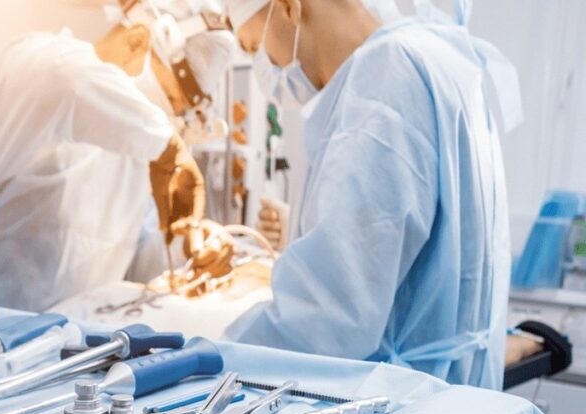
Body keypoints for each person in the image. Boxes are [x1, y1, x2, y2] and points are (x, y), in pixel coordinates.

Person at [221, 0, 521, 388]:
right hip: (453, 399)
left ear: (290, 9)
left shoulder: (386, 76)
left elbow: (328, 316)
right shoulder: (436, 55)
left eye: (252, 46)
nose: (267, 67)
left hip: (405, 405)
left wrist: (211, 358)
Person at [0, 0, 237, 311]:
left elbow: (140, 254)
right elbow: (67, 80)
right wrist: (167, 146)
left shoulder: (140, 141)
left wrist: (190, 245)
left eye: (178, 110)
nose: (168, 115)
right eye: (171, 97)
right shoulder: (35, 63)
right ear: (136, 41)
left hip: (77, 343)